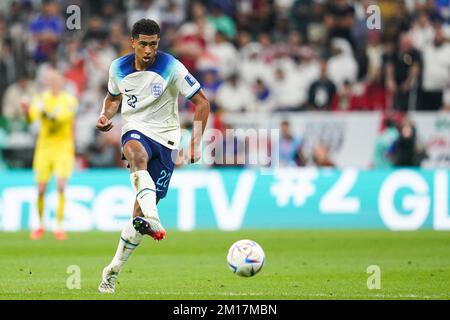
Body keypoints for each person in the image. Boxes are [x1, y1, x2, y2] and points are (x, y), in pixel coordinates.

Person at [96, 19, 210, 293]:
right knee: (135, 156)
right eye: (143, 44)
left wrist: (194, 142)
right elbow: (113, 98)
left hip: (167, 140)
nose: (148, 50)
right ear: (132, 42)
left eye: (154, 45)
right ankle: (154, 217)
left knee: (137, 217)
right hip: (135, 129)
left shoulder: (171, 66)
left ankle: (112, 270)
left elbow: (202, 103)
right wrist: (105, 115)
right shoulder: (118, 68)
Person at [23, 70, 78, 240]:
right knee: (41, 189)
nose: (54, 83)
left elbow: (59, 120)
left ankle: (59, 226)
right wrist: (25, 110)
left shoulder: (69, 100)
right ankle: (40, 225)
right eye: (51, 80)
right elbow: (30, 119)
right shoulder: (41, 98)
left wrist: (43, 111)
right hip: (44, 148)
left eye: (56, 80)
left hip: (63, 148)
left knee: (61, 186)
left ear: (61, 82)